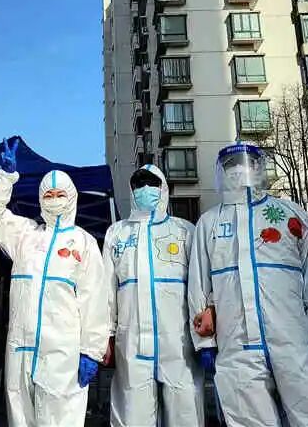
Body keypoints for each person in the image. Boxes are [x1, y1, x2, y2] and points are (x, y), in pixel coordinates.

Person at [187, 142, 308, 427]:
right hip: (237, 348)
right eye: (231, 167)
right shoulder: (210, 223)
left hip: (295, 342)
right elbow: (198, 286)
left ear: (259, 168)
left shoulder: (290, 215)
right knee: (247, 419)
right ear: (221, 173)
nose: (239, 172)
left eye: (244, 164)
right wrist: (205, 343)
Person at [0, 138, 110, 426]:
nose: (54, 199)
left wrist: (91, 350)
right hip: (21, 351)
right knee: (21, 419)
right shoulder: (26, 235)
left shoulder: (83, 243)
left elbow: (95, 300)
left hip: (62, 356)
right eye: (48, 194)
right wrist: (4, 178)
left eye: (59, 194)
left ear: (71, 197)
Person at [103, 164, 204, 426]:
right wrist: (106, 335)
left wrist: (206, 340)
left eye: (152, 184)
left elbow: (199, 285)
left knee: (185, 414)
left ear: (163, 188)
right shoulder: (118, 233)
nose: (145, 189)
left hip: (178, 343)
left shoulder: (184, 231)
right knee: (132, 416)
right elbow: (107, 291)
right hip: (132, 343)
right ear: (131, 190)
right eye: (139, 184)